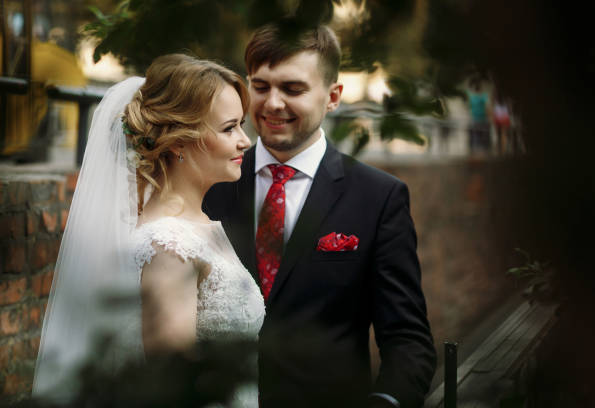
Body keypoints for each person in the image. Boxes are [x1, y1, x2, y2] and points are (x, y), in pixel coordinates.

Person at [204, 23, 436, 408]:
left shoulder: (379, 197)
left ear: (333, 97)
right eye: (261, 87)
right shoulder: (208, 183)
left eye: (293, 89)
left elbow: (407, 339)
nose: (273, 103)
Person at [32, 54, 265, 407]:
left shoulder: (199, 227)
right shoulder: (169, 246)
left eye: (242, 125)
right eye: (229, 128)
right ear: (178, 141)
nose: (245, 141)